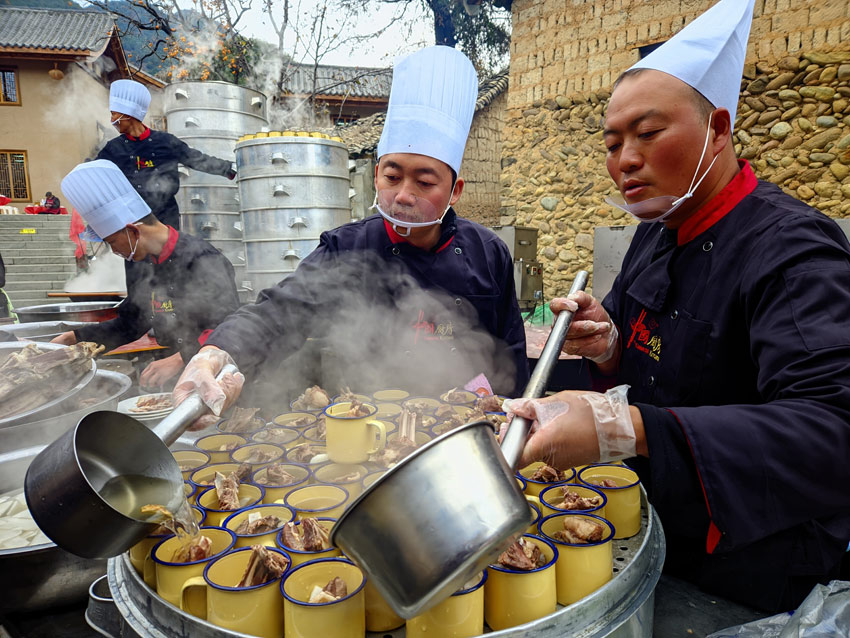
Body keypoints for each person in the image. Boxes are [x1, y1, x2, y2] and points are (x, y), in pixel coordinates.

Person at [505, 0, 850, 614]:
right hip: (655, 523)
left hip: (753, 562)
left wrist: (627, 429)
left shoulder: (791, 250)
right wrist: (609, 345)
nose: (624, 162)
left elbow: (830, 432)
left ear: (718, 129)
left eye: (648, 133)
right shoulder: (657, 230)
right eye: (612, 143)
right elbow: (647, 353)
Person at [171, 46, 529, 421]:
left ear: (455, 192)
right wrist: (214, 354)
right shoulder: (345, 247)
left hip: (462, 429)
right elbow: (278, 311)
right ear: (376, 175)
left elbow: (511, 359)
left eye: (424, 182)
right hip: (366, 429)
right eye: (392, 177)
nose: (403, 195)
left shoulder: (488, 252)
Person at [51, 160, 240, 390]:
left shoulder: (202, 258)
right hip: (170, 370)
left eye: (112, 242)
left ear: (132, 231)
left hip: (212, 371)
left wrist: (180, 358)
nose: (115, 252)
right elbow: (130, 323)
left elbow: (228, 323)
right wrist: (75, 338)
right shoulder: (140, 263)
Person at [96, 79, 236, 230]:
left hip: (167, 217)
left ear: (128, 114)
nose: (112, 120)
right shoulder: (113, 148)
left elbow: (196, 159)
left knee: (170, 253)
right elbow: (93, 172)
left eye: (114, 114)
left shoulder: (165, 141)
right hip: (133, 218)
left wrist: (229, 168)